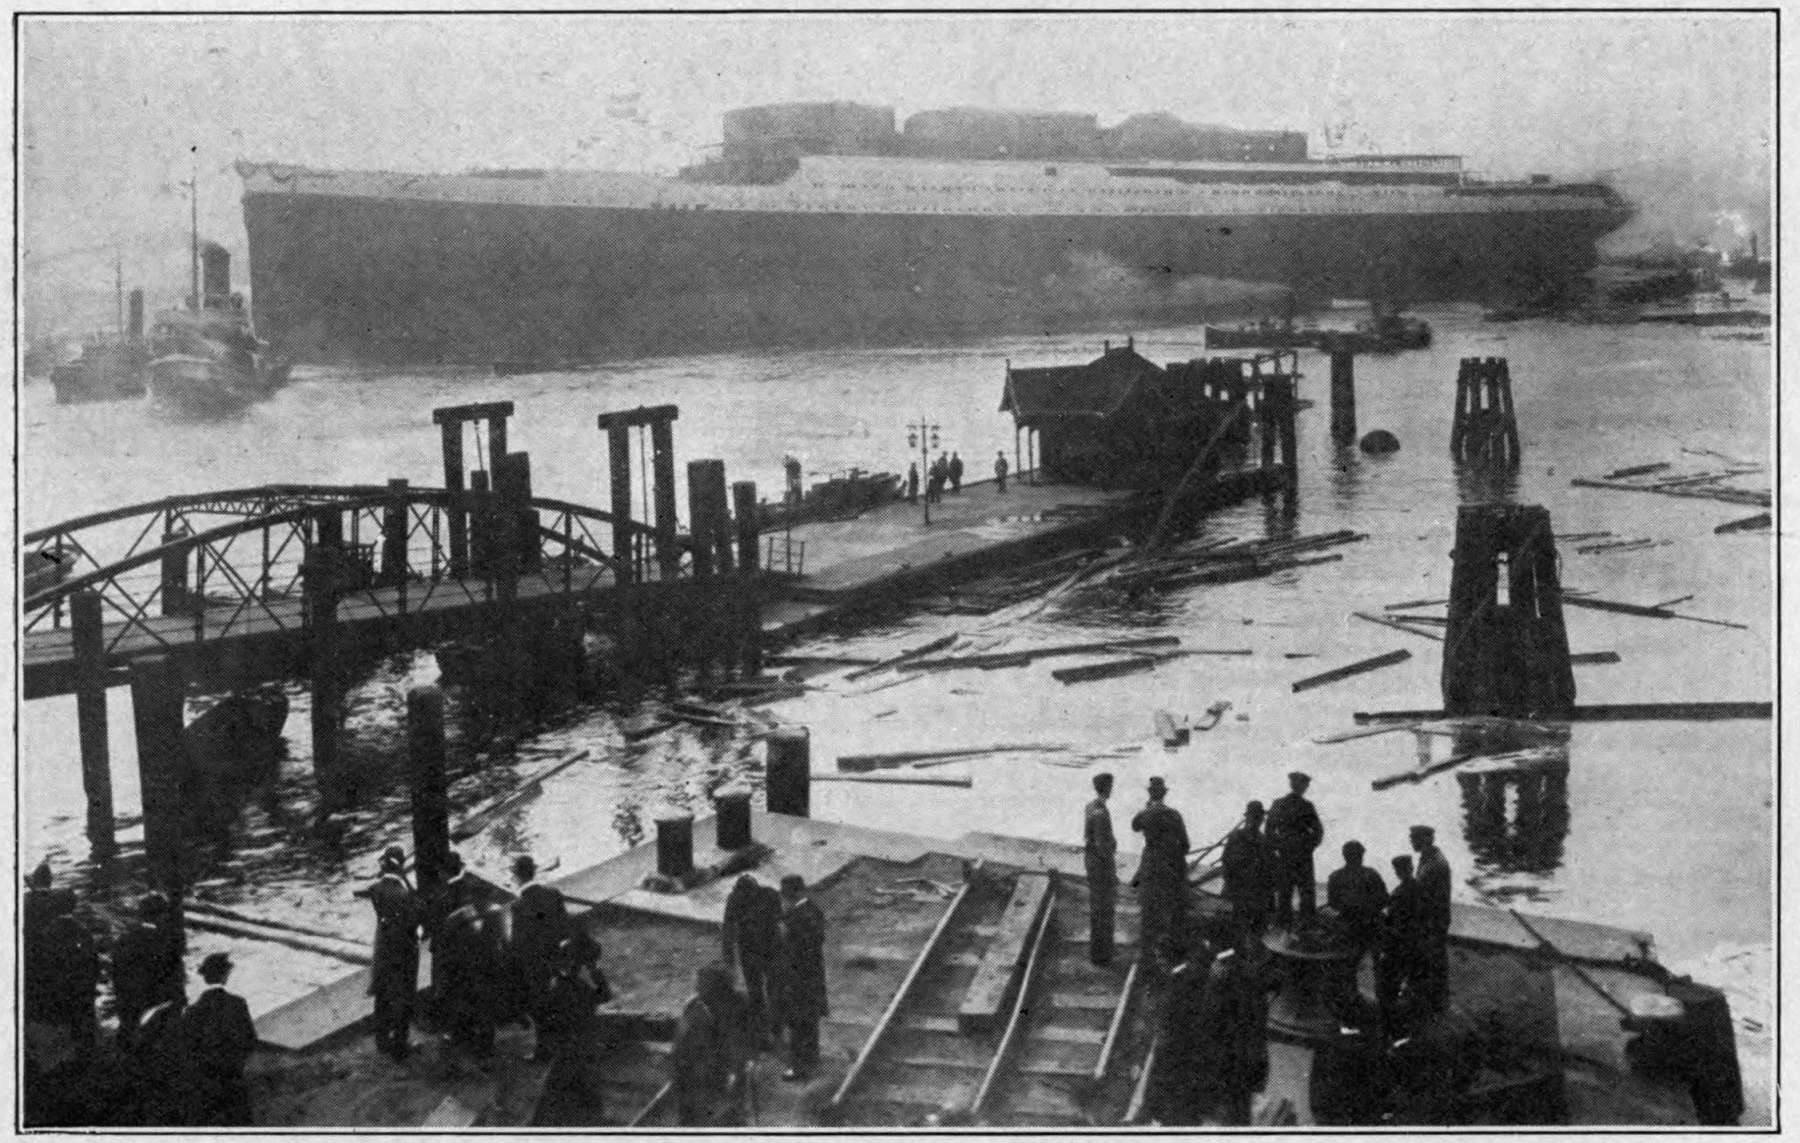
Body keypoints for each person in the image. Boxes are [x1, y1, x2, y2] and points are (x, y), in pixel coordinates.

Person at [1148, 920, 1268, 1125]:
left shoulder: (1217, 973)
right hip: (1244, 1055)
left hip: (1224, 1056)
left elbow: (1210, 1018)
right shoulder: (1243, 969)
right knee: (1238, 1110)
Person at [357, 845, 421, 1061]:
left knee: (383, 994)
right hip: (404, 950)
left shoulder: (376, 889)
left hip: (383, 948)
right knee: (403, 996)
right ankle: (400, 1046)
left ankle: (382, 1040)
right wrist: (406, 879)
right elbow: (417, 916)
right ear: (401, 866)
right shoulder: (404, 894)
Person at [535, 937, 606, 1124]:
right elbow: (604, 995)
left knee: (552, 1095)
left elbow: (546, 1014)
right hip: (579, 1047)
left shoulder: (565, 985)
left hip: (570, 1048)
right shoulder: (575, 986)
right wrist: (594, 970)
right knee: (583, 1094)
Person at [180, 953, 257, 1126]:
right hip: (233, 1077)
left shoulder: (193, 1011)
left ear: (205, 977)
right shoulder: (237, 1004)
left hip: (204, 1082)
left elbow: (186, 1047)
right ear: (225, 975)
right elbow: (249, 1040)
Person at [670, 963, 748, 1125]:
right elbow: (682, 1048)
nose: (697, 989)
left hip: (715, 1073)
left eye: (700, 985)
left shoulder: (733, 1006)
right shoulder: (694, 1009)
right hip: (695, 1074)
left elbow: (737, 1046)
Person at [112, 892, 185, 1050]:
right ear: (162, 915)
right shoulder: (167, 941)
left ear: (140, 915)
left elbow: (117, 976)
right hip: (160, 1009)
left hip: (131, 1007)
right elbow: (176, 979)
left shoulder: (123, 940)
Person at [1325, 840, 1388, 1022]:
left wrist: (1351, 908)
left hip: (1350, 927)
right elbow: (1384, 899)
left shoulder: (1336, 877)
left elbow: (1333, 903)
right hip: (1370, 926)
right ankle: (1381, 1007)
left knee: (1348, 966)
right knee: (1377, 967)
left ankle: (1351, 1003)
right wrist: (1367, 908)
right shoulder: (1371, 875)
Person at [1131, 776, 1190, 965]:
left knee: (1148, 917)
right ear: (1164, 794)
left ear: (1150, 794)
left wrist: (1148, 807)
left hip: (1150, 872)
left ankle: (1146, 957)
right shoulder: (1175, 815)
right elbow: (1186, 845)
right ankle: (1172, 957)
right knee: (1173, 914)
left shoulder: (1145, 814)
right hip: (1171, 873)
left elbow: (1134, 826)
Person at [774, 874, 827, 1080]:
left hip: (797, 979)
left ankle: (798, 1068)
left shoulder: (794, 919)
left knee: (797, 1023)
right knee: (810, 1021)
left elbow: (792, 951)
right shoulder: (813, 910)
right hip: (813, 977)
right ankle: (812, 1058)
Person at [721, 874, 782, 1046]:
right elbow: (728, 926)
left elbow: (780, 921)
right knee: (755, 991)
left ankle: (776, 1027)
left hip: (770, 947)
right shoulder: (735, 899)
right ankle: (760, 1030)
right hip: (749, 949)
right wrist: (728, 954)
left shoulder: (770, 895)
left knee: (774, 988)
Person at [1377, 855, 1431, 1036]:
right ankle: (1408, 1026)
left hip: (1398, 945)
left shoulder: (1400, 893)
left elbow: (1394, 921)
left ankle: (1389, 1026)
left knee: (1387, 987)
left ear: (1398, 871)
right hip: (1416, 944)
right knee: (1410, 986)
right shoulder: (1420, 889)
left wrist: (1383, 922)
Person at [436, 903, 499, 1057]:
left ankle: (470, 1040)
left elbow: (445, 945)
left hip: (468, 969)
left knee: (469, 1005)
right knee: (478, 1006)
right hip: (476, 969)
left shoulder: (458, 916)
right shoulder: (496, 912)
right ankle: (481, 1043)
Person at [1266, 771, 1325, 930]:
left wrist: (1280, 846)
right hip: (1300, 857)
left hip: (1289, 856)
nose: (1305, 787)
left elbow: (1269, 831)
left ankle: (1285, 927)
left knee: (1287, 894)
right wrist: (1307, 847)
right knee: (1303, 895)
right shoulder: (1305, 806)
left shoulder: (1281, 804)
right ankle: (1306, 928)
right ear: (1297, 785)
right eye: (1304, 784)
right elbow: (1318, 832)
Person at [1410, 825, 1452, 1012]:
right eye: (1412, 838)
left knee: (1434, 958)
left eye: (1415, 838)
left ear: (1426, 839)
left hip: (1433, 919)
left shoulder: (1435, 865)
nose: (1412, 841)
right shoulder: (1429, 859)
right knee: (1432, 958)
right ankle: (1434, 997)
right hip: (1433, 918)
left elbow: (1427, 896)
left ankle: (1436, 1001)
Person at [1221, 801, 1273, 939]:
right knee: (1239, 929)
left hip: (1257, 894)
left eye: (1259, 818)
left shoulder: (1264, 840)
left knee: (1257, 931)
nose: (1257, 821)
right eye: (1254, 817)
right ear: (1248, 818)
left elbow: (1269, 868)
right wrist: (1230, 886)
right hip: (1240, 892)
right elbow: (1226, 862)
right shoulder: (1236, 837)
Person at [1084, 773, 1118, 966]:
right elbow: (1101, 845)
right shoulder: (1100, 813)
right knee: (1104, 909)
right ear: (1107, 788)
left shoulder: (1091, 806)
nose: (1112, 789)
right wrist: (1111, 871)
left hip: (1092, 864)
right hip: (1101, 867)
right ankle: (1102, 955)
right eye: (1110, 786)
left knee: (1097, 908)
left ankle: (1098, 953)